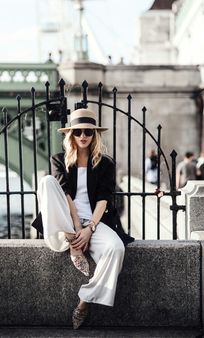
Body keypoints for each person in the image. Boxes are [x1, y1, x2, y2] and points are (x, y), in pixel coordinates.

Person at [35, 108, 134, 330]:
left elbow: (103, 199)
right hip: (64, 225)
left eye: (87, 132)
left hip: (94, 222)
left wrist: (89, 228)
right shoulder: (59, 159)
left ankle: (84, 301)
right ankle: (74, 245)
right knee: (47, 182)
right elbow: (65, 193)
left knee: (116, 249)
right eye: (78, 131)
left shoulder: (105, 163)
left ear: (94, 135)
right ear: (71, 134)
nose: (82, 136)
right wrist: (76, 229)